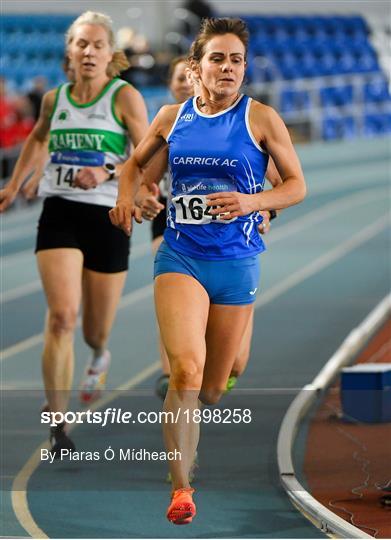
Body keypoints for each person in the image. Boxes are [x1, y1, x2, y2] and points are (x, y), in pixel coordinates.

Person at [110, 17, 306, 524]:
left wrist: (252, 201)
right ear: (196, 68)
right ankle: (181, 489)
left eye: (235, 60)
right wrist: (133, 197)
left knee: (218, 385)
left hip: (237, 262)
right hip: (181, 255)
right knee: (186, 371)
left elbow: (295, 185)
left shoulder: (260, 118)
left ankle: (221, 382)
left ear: (244, 69)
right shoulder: (173, 117)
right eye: (217, 58)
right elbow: (137, 167)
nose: (227, 68)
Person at [0, 11, 149, 455]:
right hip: (60, 211)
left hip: (107, 218)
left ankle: (100, 355)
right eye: (81, 44)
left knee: (93, 331)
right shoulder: (54, 99)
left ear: (109, 53)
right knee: (62, 316)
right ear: (70, 50)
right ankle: (57, 423)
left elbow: (147, 155)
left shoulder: (124, 97)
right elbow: (39, 139)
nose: (88, 52)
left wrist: (104, 170)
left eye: (97, 45)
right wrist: (14, 182)